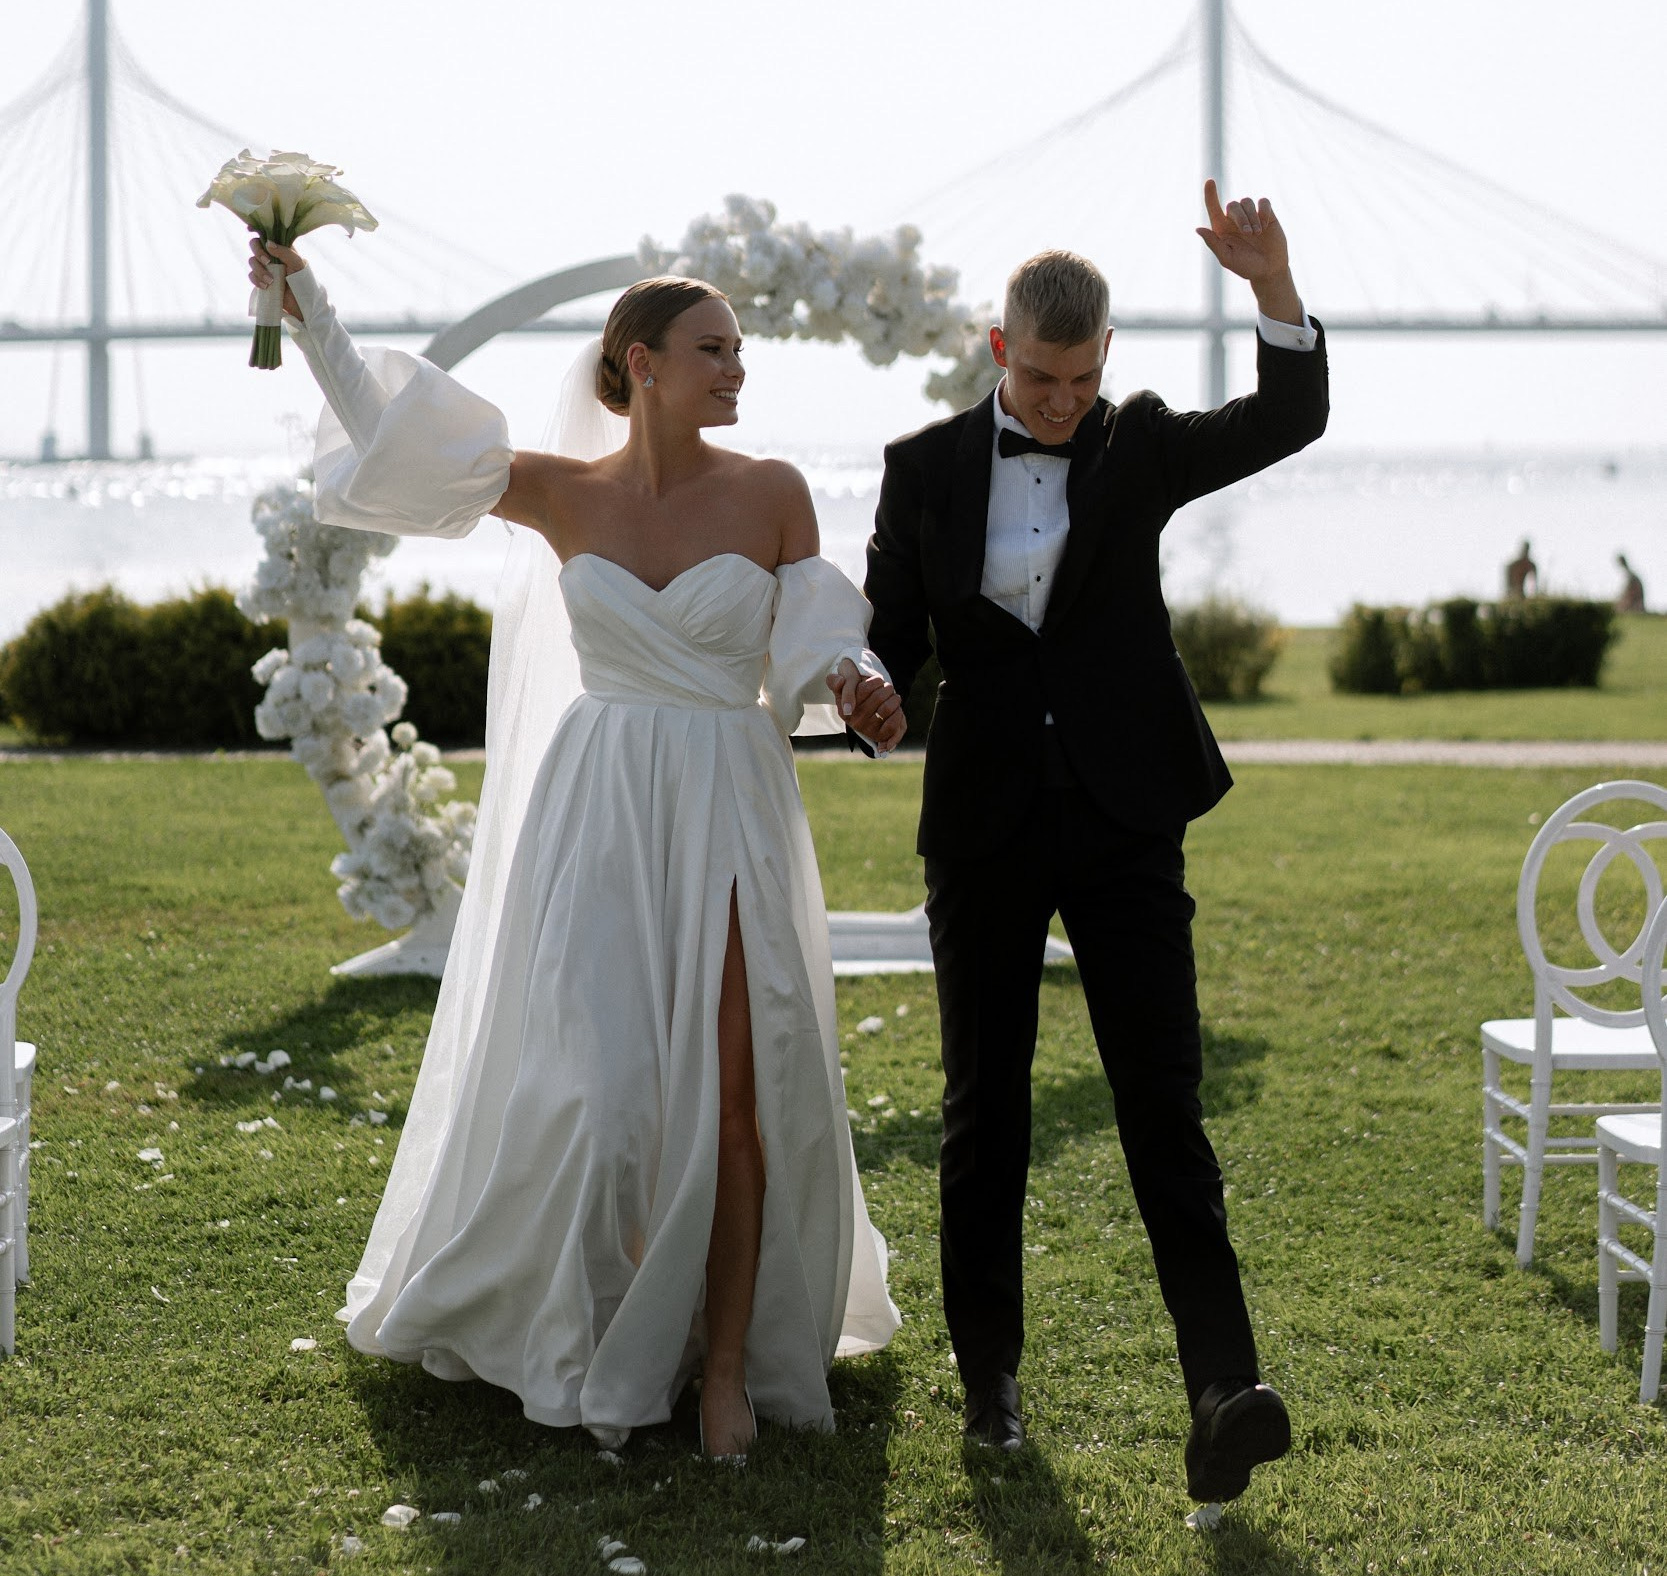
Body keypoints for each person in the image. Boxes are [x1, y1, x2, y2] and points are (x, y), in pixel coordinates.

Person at [249, 240, 905, 1458]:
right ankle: (613, 1323)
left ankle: (721, 1368)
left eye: (739, 349)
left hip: (726, 793)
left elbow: (817, 641)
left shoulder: (770, 489)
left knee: (737, 1093)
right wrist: (306, 310)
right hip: (600, 801)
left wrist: (859, 683)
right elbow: (395, 445)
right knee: (604, 1097)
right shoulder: (558, 490)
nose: (735, 367)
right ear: (638, 365)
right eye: (712, 348)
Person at [860, 182, 1328, 1503]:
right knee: (982, 1115)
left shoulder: (1138, 443)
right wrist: (865, 690)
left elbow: (1289, 414)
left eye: (1082, 377)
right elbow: (889, 646)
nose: (1062, 401)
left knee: (1160, 1106)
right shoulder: (921, 470)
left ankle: (1222, 1389)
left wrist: (1270, 289)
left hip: (1127, 822)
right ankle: (990, 1386)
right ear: (998, 352)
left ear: (1103, 360)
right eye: (1042, 376)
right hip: (986, 829)